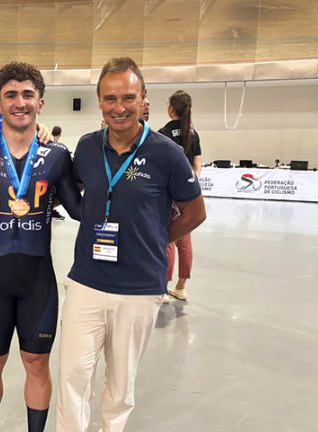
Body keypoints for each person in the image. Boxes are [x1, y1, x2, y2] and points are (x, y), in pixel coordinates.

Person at [56, 57, 206, 432]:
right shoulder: (88, 147)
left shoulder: (166, 153)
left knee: (120, 386)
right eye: (109, 99)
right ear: (99, 101)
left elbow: (194, 212)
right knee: (73, 376)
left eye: (127, 97)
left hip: (138, 288)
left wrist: (156, 240)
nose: (118, 108)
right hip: (87, 281)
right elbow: (72, 190)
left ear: (143, 99)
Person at [0, 61, 81, 432]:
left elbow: (79, 210)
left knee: (37, 364)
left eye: (28, 94)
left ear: (40, 103)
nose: (20, 102)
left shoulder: (57, 155)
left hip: (37, 280)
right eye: (10, 94)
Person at [158, 90, 202, 301]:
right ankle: (181, 286)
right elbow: (197, 164)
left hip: (169, 196)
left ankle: (163, 287)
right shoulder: (193, 134)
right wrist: (191, 187)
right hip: (188, 194)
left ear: (171, 109)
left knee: (168, 239)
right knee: (185, 239)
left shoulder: (162, 134)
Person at [49, 126, 66, 220]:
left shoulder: (46, 140)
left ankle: (51, 210)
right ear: (59, 134)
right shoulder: (59, 146)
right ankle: (51, 210)